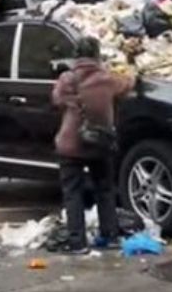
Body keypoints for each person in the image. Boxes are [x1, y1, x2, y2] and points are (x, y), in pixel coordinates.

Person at [52, 37, 135, 254]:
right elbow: (128, 84)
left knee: (73, 194)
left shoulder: (66, 79)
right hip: (100, 144)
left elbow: (57, 100)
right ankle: (110, 236)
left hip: (70, 145)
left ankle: (77, 243)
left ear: (76, 56)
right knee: (105, 190)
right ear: (97, 55)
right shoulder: (107, 79)